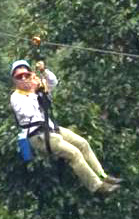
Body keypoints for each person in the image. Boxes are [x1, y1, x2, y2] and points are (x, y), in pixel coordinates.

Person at [9, 59, 122, 195]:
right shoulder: (16, 97)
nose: (23, 79)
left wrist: (43, 71)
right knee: (74, 154)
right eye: (19, 77)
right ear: (14, 80)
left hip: (51, 128)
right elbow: (27, 113)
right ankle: (97, 186)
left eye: (26, 75)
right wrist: (33, 91)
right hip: (38, 136)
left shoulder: (36, 88)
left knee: (83, 143)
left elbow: (53, 82)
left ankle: (103, 175)